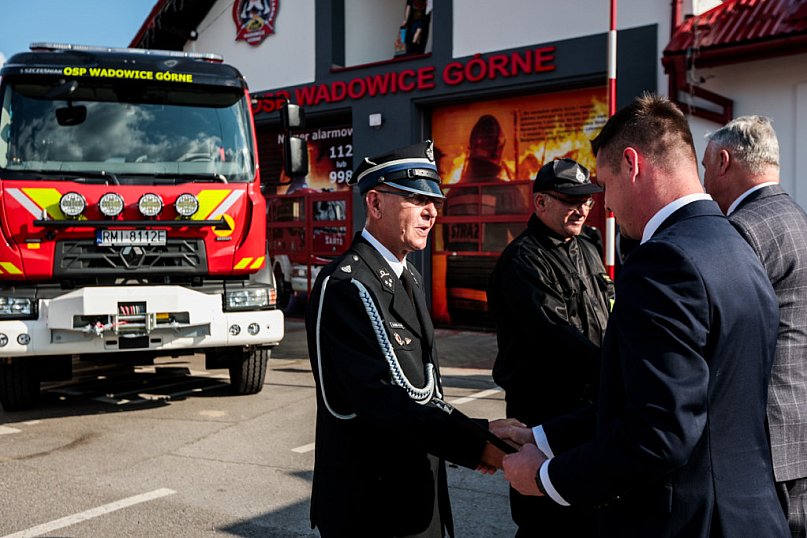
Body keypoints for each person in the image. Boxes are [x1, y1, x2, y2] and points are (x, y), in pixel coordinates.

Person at [500, 93, 790, 537]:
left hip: (689, 520)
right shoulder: (735, 243)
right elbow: (680, 396)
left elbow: (658, 432)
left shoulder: (662, 262)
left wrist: (546, 478)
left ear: (632, 164)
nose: (606, 206)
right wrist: (543, 436)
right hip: (748, 513)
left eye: (605, 184)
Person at [305, 140, 514, 537]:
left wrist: (480, 429)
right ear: (375, 203)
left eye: (434, 201)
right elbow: (382, 401)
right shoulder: (347, 286)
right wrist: (479, 447)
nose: (431, 211)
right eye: (417, 199)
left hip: (417, 495)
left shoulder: (410, 277)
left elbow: (423, 392)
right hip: (372, 507)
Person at [487, 157, 612, 536]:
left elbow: (607, 308)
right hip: (544, 414)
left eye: (587, 201)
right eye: (571, 200)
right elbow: (557, 337)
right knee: (545, 518)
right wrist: (616, 371)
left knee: (586, 514)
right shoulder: (523, 261)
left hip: (587, 408)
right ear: (540, 202)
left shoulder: (586, 246)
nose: (583, 209)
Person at [702, 115, 807, 537]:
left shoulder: (742, 230)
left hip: (763, 439)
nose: (703, 182)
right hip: (797, 430)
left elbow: (721, 336)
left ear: (724, 162)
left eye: (705, 166)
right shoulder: (797, 218)